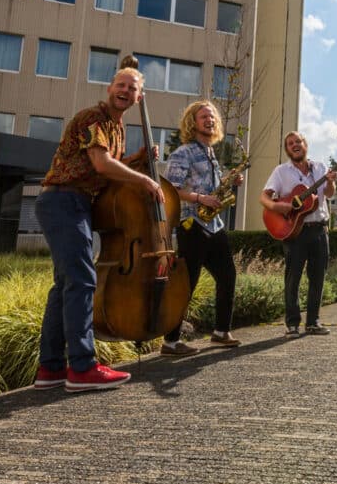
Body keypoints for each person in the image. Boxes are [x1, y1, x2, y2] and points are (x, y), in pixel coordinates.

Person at [34, 66, 164, 393]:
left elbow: (107, 169)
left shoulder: (116, 128)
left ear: (138, 97)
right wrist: (145, 178)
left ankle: (50, 369)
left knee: (65, 284)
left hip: (71, 203)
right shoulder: (93, 118)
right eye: (121, 84)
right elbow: (101, 164)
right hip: (65, 201)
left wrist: (137, 159)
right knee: (82, 280)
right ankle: (82, 367)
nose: (125, 91)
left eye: (132, 88)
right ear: (110, 88)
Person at [161, 100, 241, 355]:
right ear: (192, 122)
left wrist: (228, 181)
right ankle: (170, 342)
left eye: (213, 116)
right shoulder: (183, 152)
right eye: (204, 116)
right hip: (191, 224)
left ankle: (220, 332)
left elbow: (210, 188)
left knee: (228, 275)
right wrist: (199, 198)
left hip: (214, 224)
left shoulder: (210, 153)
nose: (210, 120)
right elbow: (170, 188)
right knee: (187, 283)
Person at [261, 131, 337, 337]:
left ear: (306, 145)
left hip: (320, 229)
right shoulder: (281, 171)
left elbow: (329, 194)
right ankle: (292, 324)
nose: (295, 145)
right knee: (293, 278)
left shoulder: (320, 168)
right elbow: (264, 197)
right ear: (287, 149)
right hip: (295, 231)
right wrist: (278, 207)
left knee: (318, 277)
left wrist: (330, 182)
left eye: (298, 141)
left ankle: (313, 322)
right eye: (290, 143)